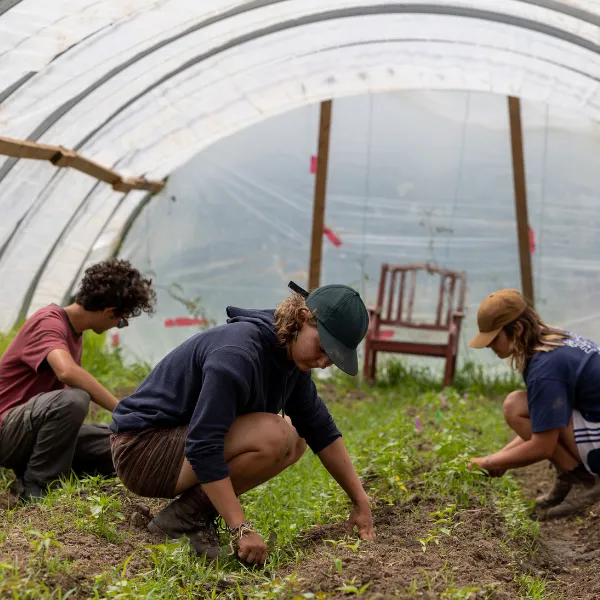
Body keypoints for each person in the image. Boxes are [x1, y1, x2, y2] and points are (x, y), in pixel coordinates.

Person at [110, 282, 376, 565]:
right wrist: (241, 527)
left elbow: (320, 430)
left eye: (332, 358)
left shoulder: (289, 358)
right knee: (275, 434)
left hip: (173, 445)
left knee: (297, 434)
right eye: (322, 348)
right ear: (301, 318)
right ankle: (186, 519)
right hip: (141, 450)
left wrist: (361, 500)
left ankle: (183, 517)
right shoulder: (238, 353)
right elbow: (203, 445)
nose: (323, 362)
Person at [0, 258, 156, 502]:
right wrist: (123, 408)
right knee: (74, 399)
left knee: (120, 440)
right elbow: (67, 373)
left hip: (33, 434)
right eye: (122, 320)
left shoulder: (75, 334)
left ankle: (53, 471)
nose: (119, 326)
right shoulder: (49, 321)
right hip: (7, 431)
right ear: (108, 312)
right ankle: (36, 487)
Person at [468, 289, 600, 517]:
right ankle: (572, 479)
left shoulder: (545, 368)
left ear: (517, 329)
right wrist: (501, 459)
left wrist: (485, 462)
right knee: (519, 405)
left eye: (494, 339)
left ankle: (585, 484)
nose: (490, 347)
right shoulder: (555, 341)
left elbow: (543, 445)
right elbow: (544, 420)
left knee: (514, 406)